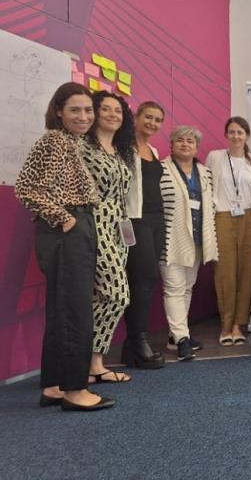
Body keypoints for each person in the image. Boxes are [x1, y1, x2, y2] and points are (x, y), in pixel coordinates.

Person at [15, 82, 114, 411]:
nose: (84, 116)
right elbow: (27, 187)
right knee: (75, 310)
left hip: (72, 228)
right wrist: (64, 219)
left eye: (88, 110)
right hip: (66, 230)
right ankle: (75, 390)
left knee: (62, 311)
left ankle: (55, 385)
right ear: (58, 111)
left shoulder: (71, 143)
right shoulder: (55, 140)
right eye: (75, 109)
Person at [81, 91, 135, 384]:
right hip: (94, 224)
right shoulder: (82, 147)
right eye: (106, 109)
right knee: (118, 294)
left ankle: (94, 364)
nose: (113, 114)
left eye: (118, 110)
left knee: (99, 295)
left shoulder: (120, 149)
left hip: (119, 227)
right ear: (94, 113)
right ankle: (87, 359)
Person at [160, 126, 219, 361]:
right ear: (172, 145)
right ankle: (182, 338)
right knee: (173, 288)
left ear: (196, 147)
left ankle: (176, 336)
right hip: (170, 238)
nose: (186, 144)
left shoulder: (205, 172)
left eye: (190, 141)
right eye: (180, 141)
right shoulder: (161, 169)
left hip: (196, 240)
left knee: (186, 288)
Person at [206, 117, 251, 346]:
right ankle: (226, 324)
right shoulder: (215, 157)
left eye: (240, 132)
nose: (236, 136)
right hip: (222, 215)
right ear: (226, 135)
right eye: (232, 132)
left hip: (249, 217)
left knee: (246, 272)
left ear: (247, 136)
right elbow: (207, 187)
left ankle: (239, 324)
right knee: (225, 272)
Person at [121, 101, 168, 369]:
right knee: (143, 277)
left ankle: (133, 345)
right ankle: (137, 341)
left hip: (156, 219)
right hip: (134, 219)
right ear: (136, 118)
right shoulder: (123, 147)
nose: (152, 123)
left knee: (148, 279)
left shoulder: (152, 149)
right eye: (148, 117)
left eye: (157, 119)